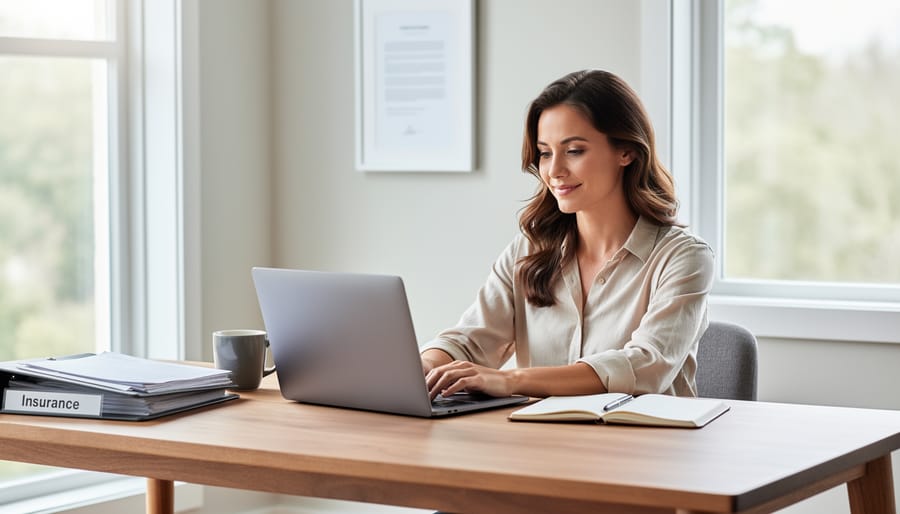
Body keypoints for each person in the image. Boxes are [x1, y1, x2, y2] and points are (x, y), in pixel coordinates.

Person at [420, 69, 714, 400]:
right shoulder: (529, 250)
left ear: (626, 151)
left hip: (647, 445)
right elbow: (471, 340)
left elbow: (645, 366)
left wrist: (511, 379)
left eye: (573, 150)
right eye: (545, 153)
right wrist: (425, 366)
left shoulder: (683, 258)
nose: (554, 170)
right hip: (542, 444)